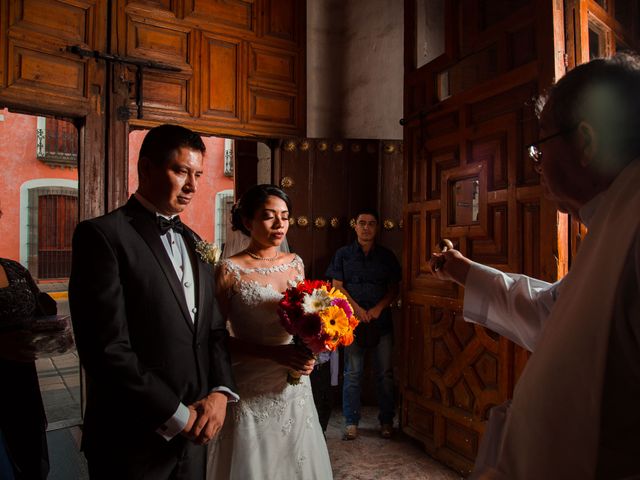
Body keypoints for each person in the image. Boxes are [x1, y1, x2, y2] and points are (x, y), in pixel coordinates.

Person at [429, 52, 640, 479]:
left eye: (540, 145)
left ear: (584, 142)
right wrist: (463, 270)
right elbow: (553, 313)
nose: (537, 163)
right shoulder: (613, 221)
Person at [69, 124, 237, 480]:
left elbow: (213, 330)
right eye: (180, 171)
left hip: (194, 436)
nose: (192, 186)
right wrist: (175, 414)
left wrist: (221, 393)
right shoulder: (103, 236)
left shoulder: (196, 242)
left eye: (198, 174)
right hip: (130, 439)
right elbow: (106, 348)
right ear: (146, 168)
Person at [207, 184, 333, 479]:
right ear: (248, 221)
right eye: (269, 216)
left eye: (285, 217)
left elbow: (307, 319)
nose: (280, 225)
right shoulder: (229, 270)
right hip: (249, 383)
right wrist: (274, 354)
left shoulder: (295, 264)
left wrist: (310, 349)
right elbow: (214, 338)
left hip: (292, 385)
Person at [325, 208, 401, 440]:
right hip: (353, 323)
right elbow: (337, 286)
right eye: (362, 223)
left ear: (377, 227)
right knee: (353, 373)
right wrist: (358, 311)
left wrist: (377, 309)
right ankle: (351, 422)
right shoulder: (343, 255)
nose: (366, 227)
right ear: (354, 226)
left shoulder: (387, 256)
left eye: (371, 223)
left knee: (385, 374)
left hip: (382, 322)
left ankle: (386, 421)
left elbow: (394, 289)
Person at [0, 204, 52, 480]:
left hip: (22, 378)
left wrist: (50, 329)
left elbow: (41, 309)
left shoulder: (14, 270)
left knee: (30, 455)